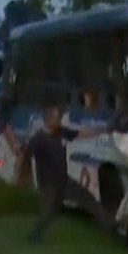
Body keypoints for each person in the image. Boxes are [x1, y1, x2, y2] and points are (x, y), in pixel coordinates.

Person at [23, 102, 114, 243]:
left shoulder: (60, 131)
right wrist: (23, 176)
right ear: (48, 120)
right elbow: (26, 157)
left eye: (59, 117)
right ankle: (35, 236)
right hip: (48, 184)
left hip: (63, 180)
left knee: (87, 198)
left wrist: (102, 130)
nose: (59, 120)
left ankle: (109, 225)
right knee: (48, 213)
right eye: (56, 118)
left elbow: (81, 134)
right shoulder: (38, 139)